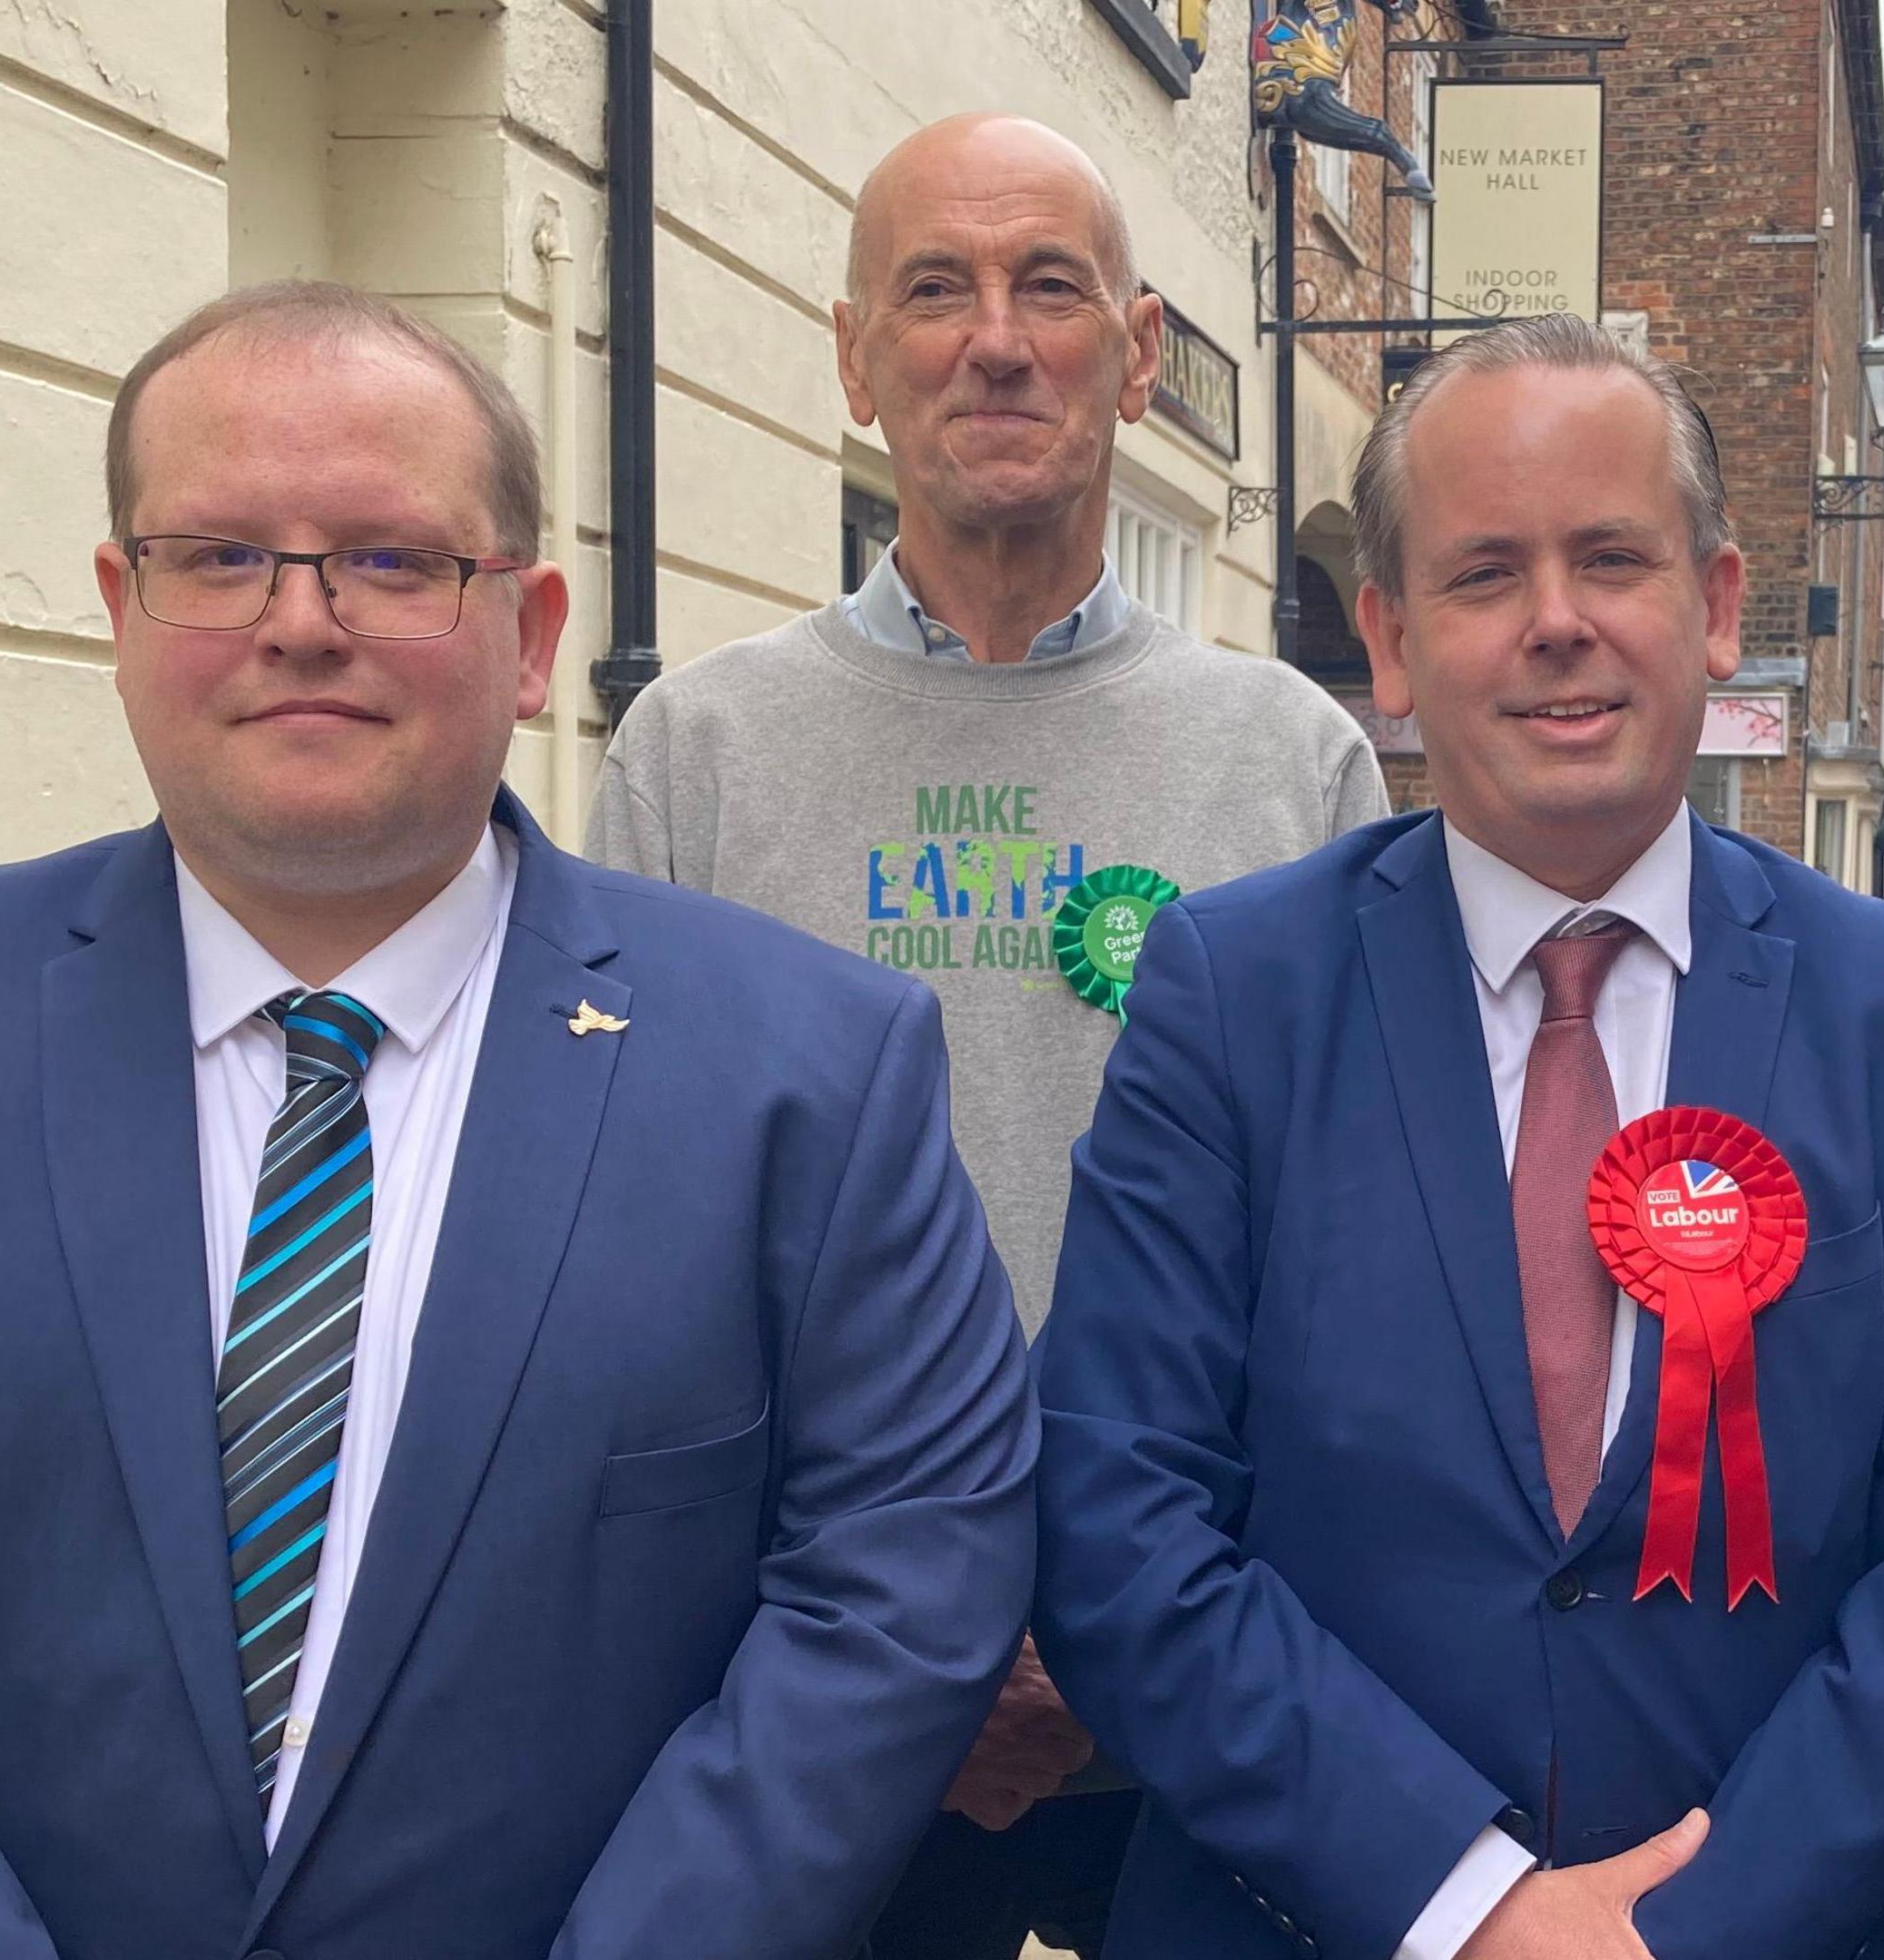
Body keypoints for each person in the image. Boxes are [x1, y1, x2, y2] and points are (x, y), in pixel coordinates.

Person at [0, 281, 1035, 1959]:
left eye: (395, 561)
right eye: (219, 554)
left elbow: (898, 1593)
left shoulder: (816, 1077)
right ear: (120, 605)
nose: (301, 620)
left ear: (535, 633)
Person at [1028, 312, 1884, 1960]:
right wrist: (1463, 1907)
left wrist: (1685, 1926)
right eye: (1481, 576)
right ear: (1386, 642)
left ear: (1716, 606)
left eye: (1613, 558)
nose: (1557, 625)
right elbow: (1118, 1513)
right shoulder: (1230, 995)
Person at [586, 114, 1384, 1955]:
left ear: (1140, 348)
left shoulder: (1294, 760)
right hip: (804, 1690)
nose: (997, 340)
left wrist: (1118, 1627)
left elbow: (1350, 1259)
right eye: (934, 290)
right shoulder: (695, 758)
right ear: (855, 355)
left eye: (1051, 288)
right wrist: (918, 1630)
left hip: (1209, 1687)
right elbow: (633, 1254)